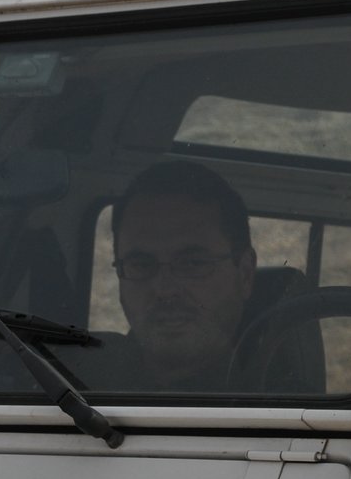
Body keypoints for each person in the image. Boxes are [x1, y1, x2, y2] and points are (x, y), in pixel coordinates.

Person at [98, 161, 258, 390]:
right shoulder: (65, 385)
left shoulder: (289, 408)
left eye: (193, 264)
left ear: (245, 274)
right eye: (141, 265)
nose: (165, 290)